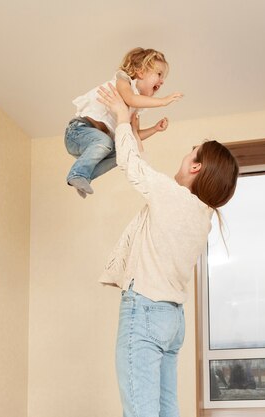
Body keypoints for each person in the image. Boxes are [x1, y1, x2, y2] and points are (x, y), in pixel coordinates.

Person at [97, 83, 239, 417]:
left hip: (145, 311)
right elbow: (152, 182)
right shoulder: (201, 217)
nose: (187, 155)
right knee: (164, 409)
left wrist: (120, 115)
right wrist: (132, 130)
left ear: (195, 167)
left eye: (192, 152)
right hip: (172, 319)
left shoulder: (172, 199)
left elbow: (135, 169)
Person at [65, 47, 183, 198]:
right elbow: (130, 98)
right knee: (106, 141)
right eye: (159, 74)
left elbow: (133, 136)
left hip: (94, 145)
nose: (162, 81)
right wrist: (162, 101)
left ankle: (83, 176)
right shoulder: (123, 81)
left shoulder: (135, 109)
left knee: (122, 153)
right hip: (78, 132)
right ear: (140, 71)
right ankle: (77, 172)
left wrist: (154, 129)